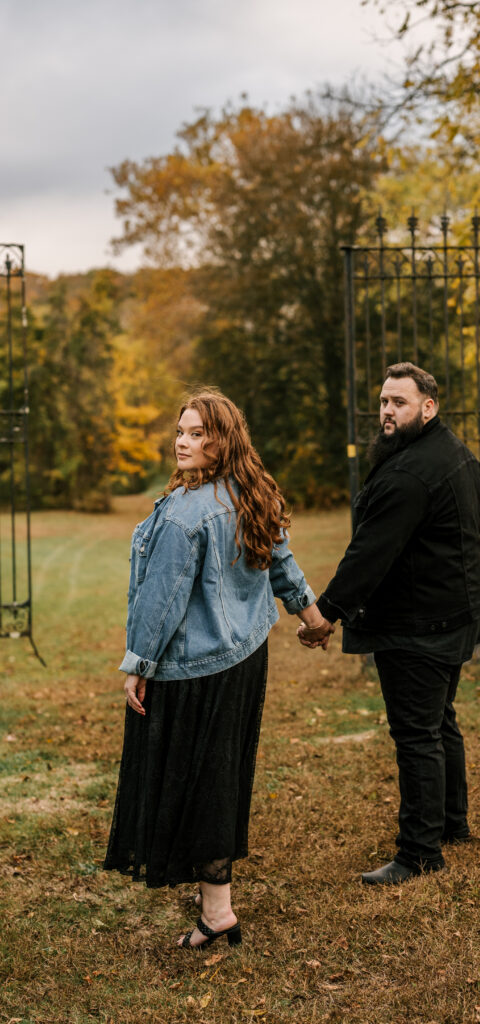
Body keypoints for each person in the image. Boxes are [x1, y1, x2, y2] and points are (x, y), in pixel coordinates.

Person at [104, 388, 330, 948]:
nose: (183, 442)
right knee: (220, 778)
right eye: (180, 431)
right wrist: (313, 618)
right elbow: (282, 560)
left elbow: (162, 601)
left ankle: (218, 910)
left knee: (197, 785)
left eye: (197, 434)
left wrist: (138, 666)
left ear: (222, 440)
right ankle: (217, 906)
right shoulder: (248, 491)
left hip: (193, 670)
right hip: (245, 661)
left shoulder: (187, 515)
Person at [298, 362, 480, 885]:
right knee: (439, 719)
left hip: (421, 621)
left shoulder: (411, 472)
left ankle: (420, 853)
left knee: (417, 733)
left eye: (398, 403)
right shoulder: (453, 452)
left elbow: (369, 554)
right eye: (383, 401)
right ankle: (451, 823)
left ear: (428, 407)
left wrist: (324, 614)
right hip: (455, 611)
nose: (387, 410)